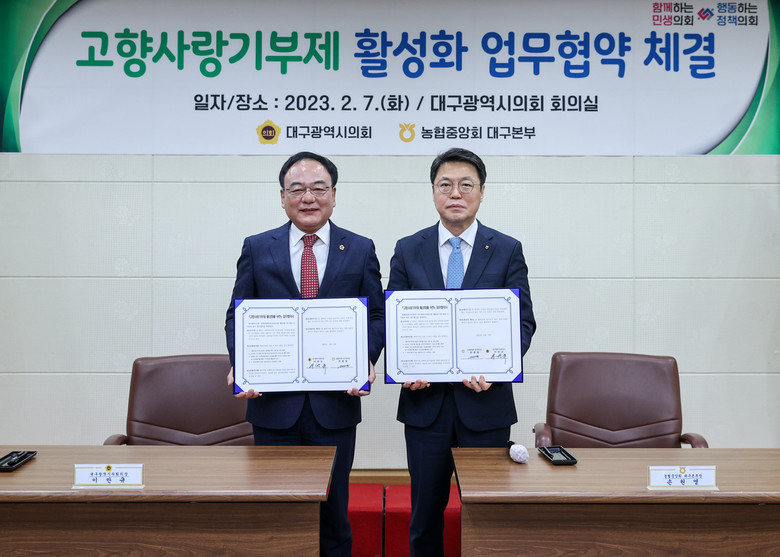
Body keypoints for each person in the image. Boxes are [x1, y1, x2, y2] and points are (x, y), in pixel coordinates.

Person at [225, 151, 384, 557]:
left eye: (318, 188)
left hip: (335, 405)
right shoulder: (258, 247)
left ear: (334, 195)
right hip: (273, 406)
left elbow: (376, 315)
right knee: (277, 512)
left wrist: (364, 360)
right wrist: (242, 363)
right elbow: (238, 314)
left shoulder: (360, 248)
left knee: (333, 512)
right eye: (297, 189)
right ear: (282, 197)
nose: (308, 197)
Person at [387, 147, 536, 557]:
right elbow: (395, 319)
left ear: (482, 192)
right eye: (445, 185)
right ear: (433, 192)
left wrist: (497, 369)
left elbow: (522, 323)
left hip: (486, 404)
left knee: (487, 514)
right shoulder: (408, 248)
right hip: (425, 406)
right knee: (424, 517)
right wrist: (404, 367)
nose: (456, 193)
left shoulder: (506, 249)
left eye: (466, 185)